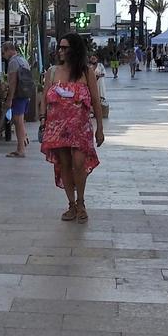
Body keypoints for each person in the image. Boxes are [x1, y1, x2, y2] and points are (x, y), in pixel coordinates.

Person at [41, 35, 106, 223]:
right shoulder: (52, 72)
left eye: (64, 47)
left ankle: (81, 202)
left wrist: (99, 128)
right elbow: (44, 98)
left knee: (79, 164)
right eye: (59, 47)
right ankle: (71, 204)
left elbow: (96, 101)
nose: (60, 50)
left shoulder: (86, 73)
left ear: (75, 50)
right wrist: (42, 119)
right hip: (57, 128)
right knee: (65, 165)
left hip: (80, 128)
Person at [2, 42, 35, 158]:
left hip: (18, 95)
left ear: (8, 50)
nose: (3, 55)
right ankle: (21, 145)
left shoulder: (13, 62)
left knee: (18, 122)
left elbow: (12, 83)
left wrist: (9, 99)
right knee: (20, 121)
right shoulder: (23, 60)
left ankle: (20, 149)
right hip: (26, 93)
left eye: (3, 52)